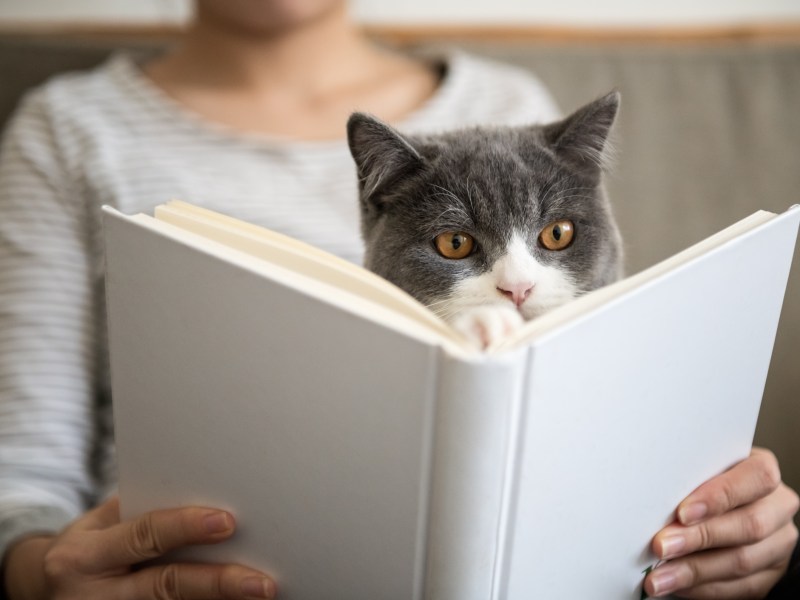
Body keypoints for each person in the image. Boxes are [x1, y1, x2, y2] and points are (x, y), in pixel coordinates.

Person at [0, 1, 797, 598]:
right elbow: (22, 479)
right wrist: (50, 575)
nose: (518, 282)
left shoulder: (513, 104)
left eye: (546, 243)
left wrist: (713, 516)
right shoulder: (69, 131)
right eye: (457, 242)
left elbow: (606, 372)